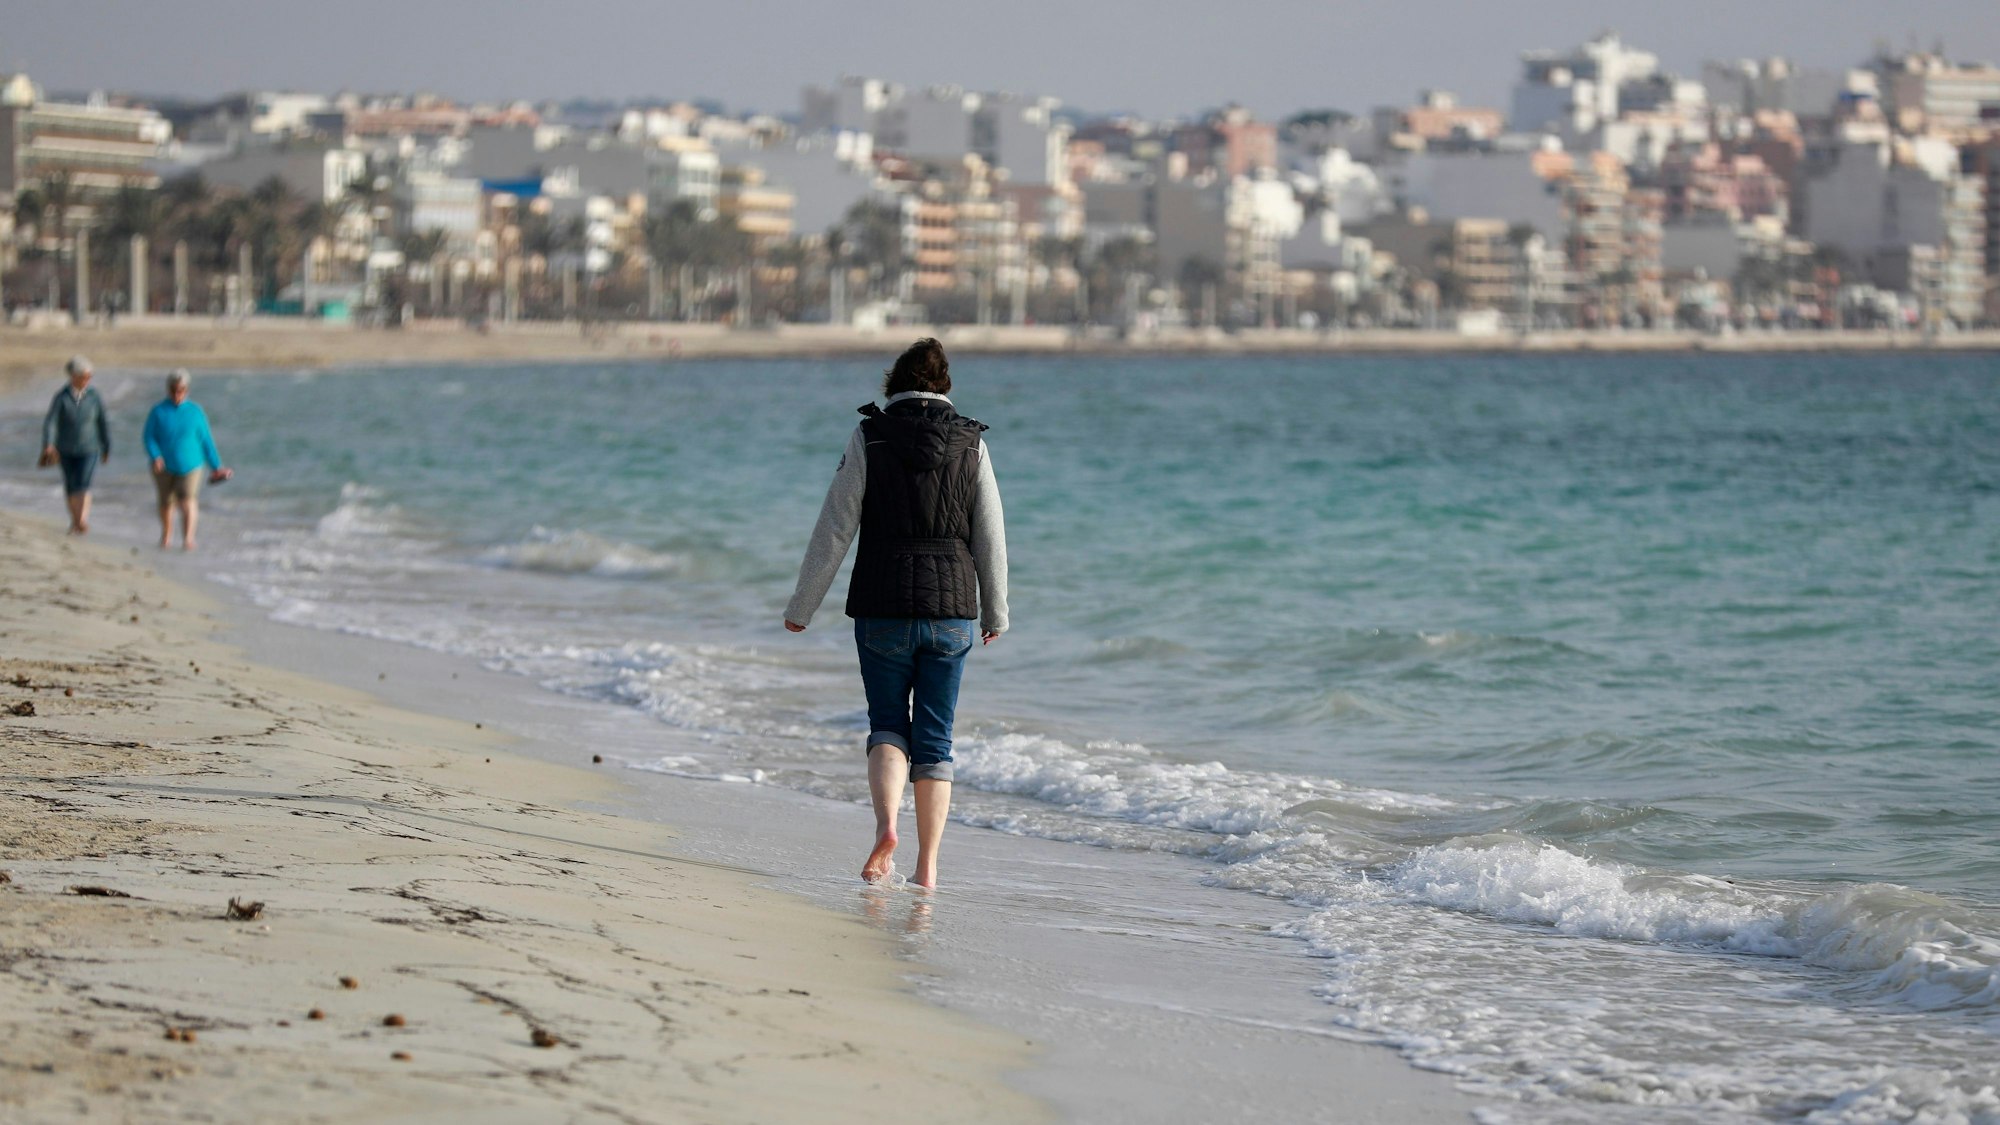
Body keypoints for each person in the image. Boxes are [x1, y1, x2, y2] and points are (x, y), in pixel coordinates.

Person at [783, 338, 1009, 890]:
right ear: (944, 386)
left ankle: (887, 829)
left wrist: (803, 605)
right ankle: (927, 868)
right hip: (951, 610)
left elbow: (836, 525)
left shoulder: (869, 435)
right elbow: (990, 534)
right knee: (937, 741)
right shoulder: (971, 443)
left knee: (887, 724)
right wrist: (996, 611)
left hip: (882, 604)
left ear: (894, 384)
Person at [141, 370, 231, 551]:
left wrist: (216, 467)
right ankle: (166, 535)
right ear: (168, 389)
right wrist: (155, 456)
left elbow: (206, 441)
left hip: (192, 466)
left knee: (188, 499)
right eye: (174, 390)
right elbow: (148, 437)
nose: (177, 394)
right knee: (166, 502)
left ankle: (188, 539)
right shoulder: (158, 411)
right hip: (163, 466)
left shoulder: (196, 412)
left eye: (181, 390)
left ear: (187, 390)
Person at [39, 355, 111, 535]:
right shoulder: (61, 397)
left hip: (90, 448)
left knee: (83, 484)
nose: (88, 380)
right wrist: (48, 444)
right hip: (65, 449)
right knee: (71, 486)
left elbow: (102, 422)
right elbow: (51, 422)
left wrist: (106, 446)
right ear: (74, 376)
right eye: (84, 376)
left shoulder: (94, 396)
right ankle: (75, 521)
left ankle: (82, 520)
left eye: (90, 376)